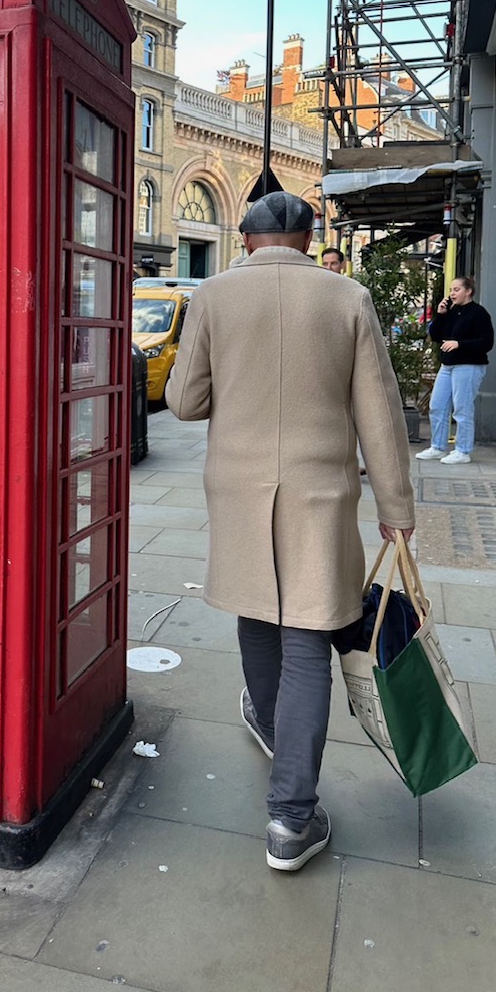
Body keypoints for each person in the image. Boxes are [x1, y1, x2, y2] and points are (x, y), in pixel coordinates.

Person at [166, 191, 415, 872]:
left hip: (240, 492)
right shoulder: (346, 298)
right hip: (319, 494)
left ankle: (274, 732)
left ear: (245, 238)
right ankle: (290, 821)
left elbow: (183, 402)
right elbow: (380, 415)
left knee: (256, 616)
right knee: (307, 640)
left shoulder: (214, 295)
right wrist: (397, 510)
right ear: (309, 237)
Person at [416, 276, 494, 466]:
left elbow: (487, 342)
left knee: (462, 408)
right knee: (437, 405)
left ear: (468, 291)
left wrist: (459, 344)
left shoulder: (479, 313)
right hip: (448, 365)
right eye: (451, 290)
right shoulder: (451, 312)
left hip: (469, 365)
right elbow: (435, 335)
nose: (452, 293)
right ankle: (437, 446)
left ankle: (463, 450)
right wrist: (441, 314)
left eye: (457, 289)